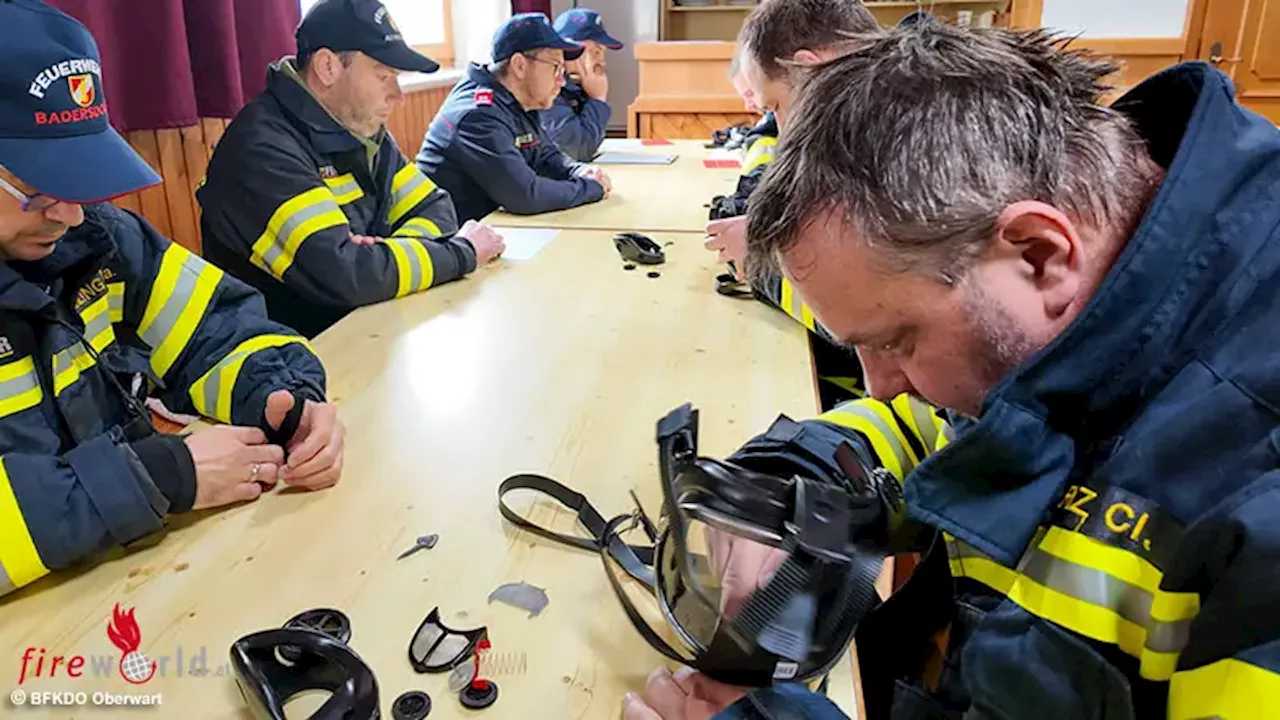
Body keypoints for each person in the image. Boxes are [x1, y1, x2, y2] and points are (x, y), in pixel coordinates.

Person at [628, 21, 1280, 720]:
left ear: (1038, 253)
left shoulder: (1251, 501)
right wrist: (789, 480)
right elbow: (938, 430)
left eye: (897, 339)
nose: (879, 382)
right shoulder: (1081, 302)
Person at [0, 0, 346, 597]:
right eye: (38, 187)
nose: (71, 212)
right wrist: (155, 477)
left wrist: (280, 398)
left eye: (80, 179)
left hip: (122, 588)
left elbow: (219, 327)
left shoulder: (97, 237)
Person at [198, 0, 506, 339]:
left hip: (370, 328)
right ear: (328, 67)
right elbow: (346, 276)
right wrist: (461, 253)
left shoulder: (360, 129)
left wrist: (382, 259)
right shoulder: (260, 148)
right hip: (292, 364)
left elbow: (435, 206)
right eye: (384, 75)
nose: (397, 95)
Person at [706, 0, 878, 405]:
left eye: (776, 107)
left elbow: (874, 322)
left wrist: (760, 259)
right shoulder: (868, 123)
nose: (780, 128)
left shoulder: (899, 142)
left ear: (808, 69)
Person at [416, 13, 612, 224]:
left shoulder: (519, 100)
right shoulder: (477, 116)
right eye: (556, 67)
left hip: (485, 229)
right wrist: (591, 188)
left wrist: (580, 171)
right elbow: (526, 196)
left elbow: (545, 155)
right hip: (444, 239)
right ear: (519, 65)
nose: (561, 81)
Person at [541, 8, 623, 162]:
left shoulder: (578, 88)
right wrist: (598, 99)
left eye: (603, 53)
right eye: (595, 52)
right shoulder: (547, 87)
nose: (602, 62)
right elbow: (576, 150)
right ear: (567, 51)